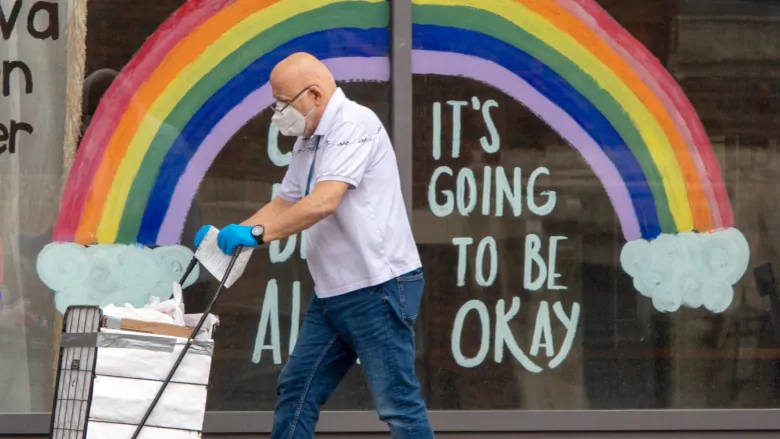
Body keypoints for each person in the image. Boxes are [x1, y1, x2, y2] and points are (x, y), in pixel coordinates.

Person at [195, 52, 434, 439]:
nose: (278, 113)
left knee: (398, 406)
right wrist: (230, 235)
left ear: (316, 94)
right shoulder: (310, 139)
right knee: (297, 389)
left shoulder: (355, 124)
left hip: (378, 287)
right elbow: (287, 200)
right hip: (334, 292)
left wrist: (256, 235)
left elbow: (323, 201)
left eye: (284, 102)